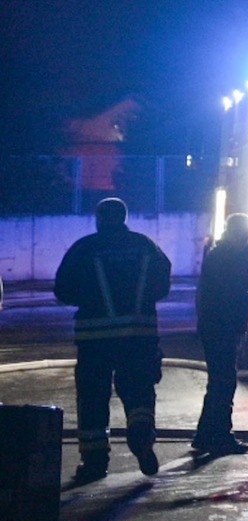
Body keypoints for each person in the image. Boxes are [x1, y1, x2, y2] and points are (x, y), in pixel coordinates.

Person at [53, 197, 173, 484]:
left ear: (98, 218)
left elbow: (62, 289)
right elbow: (163, 284)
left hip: (94, 339)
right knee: (139, 389)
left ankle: (95, 462)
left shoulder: (85, 248)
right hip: (139, 336)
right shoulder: (146, 246)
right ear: (124, 217)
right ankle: (142, 436)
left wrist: (90, 299)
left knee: (93, 397)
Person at [193, 212, 248, 457]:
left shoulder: (238, 254)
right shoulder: (223, 256)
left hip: (227, 326)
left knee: (219, 383)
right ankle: (220, 437)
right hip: (220, 327)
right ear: (236, 232)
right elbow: (234, 293)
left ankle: (204, 436)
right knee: (224, 383)